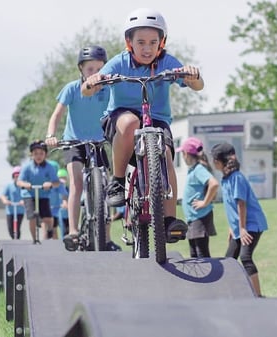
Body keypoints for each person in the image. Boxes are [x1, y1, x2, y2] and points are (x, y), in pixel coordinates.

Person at [82, 8, 204, 244]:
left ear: (161, 42)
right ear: (129, 42)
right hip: (120, 119)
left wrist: (192, 75)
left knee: (167, 155)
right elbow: (86, 89)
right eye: (141, 42)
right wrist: (93, 81)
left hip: (156, 119)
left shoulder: (167, 61)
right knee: (130, 122)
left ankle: (169, 219)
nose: (147, 48)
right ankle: (117, 181)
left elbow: (196, 85)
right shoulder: (119, 62)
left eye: (153, 42)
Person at [45, 45, 121, 251]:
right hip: (74, 142)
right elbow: (57, 115)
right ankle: (73, 231)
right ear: (81, 70)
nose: (95, 73)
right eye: (90, 69)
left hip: (98, 142)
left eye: (99, 68)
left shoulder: (108, 89)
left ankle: (106, 237)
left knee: (105, 186)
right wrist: (51, 136)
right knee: (77, 183)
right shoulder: (71, 88)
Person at [211, 142, 268, 297]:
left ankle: (258, 296)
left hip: (251, 225)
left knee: (245, 257)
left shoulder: (236, 178)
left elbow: (241, 203)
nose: (213, 162)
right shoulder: (226, 178)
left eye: (214, 159)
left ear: (219, 161)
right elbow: (231, 206)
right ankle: (229, 294)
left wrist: (242, 229)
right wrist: (233, 227)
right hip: (240, 227)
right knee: (229, 260)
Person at [177, 137, 219, 258]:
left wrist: (204, 202)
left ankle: (209, 277)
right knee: (194, 254)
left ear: (186, 154)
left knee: (201, 254)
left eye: (183, 153)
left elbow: (214, 183)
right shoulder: (194, 170)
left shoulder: (199, 169)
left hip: (199, 217)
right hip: (193, 218)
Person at [17, 140, 60, 241]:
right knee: (31, 217)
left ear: (45, 154)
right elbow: (19, 182)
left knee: (48, 219)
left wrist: (50, 184)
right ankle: (34, 239)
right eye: (35, 154)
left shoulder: (49, 167)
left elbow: (56, 182)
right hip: (29, 194)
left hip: (43, 195)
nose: (38, 156)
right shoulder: (27, 167)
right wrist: (25, 184)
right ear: (31, 155)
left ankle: (49, 230)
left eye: (41, 153)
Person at [0, 166, 25, 239]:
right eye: (15, 176)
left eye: (18, 176)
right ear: (13, 176)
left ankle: (17, 241)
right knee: (10, 228)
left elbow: (28, 195)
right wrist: (5, 201)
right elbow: (3, 195)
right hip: (10, 211)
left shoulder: (23, 186)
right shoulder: (9, 186)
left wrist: (23, 201)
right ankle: (13, 239)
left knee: (17, 228)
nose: (17, 178)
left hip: (20, 210)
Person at [48, 163, 68, 239]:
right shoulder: (45, 181)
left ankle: (57, 243)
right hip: (48, 208)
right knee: (49, 228)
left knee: (57, 228)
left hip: (57, 209)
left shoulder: (59, 183)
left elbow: (63, 194)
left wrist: (65, 202)